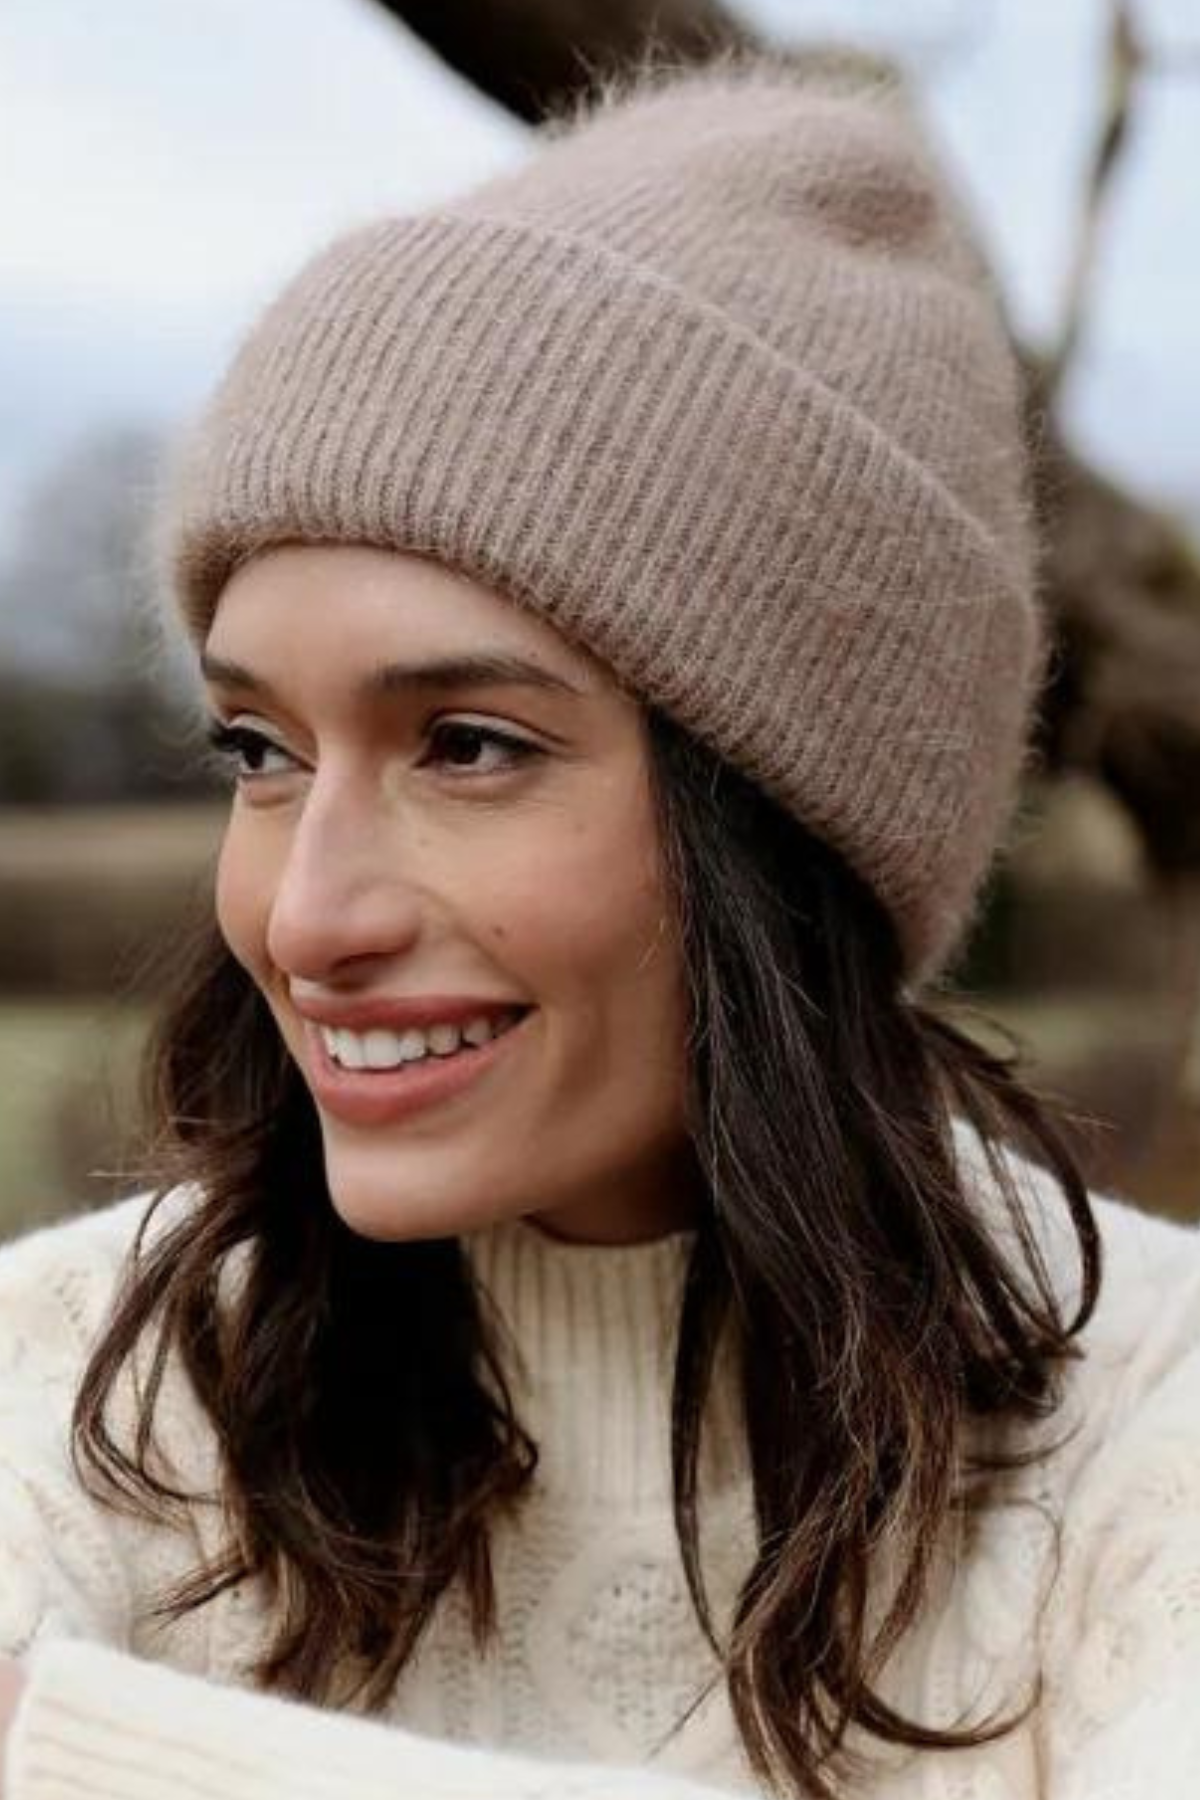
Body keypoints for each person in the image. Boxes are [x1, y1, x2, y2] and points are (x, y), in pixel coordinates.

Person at [1, 47, 1198, 1800]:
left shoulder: (1152, 1423)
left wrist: (81, 1749)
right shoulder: (64, 1390)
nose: (306, 914)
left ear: (789, 827)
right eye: (257, 748)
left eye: (468, 745)